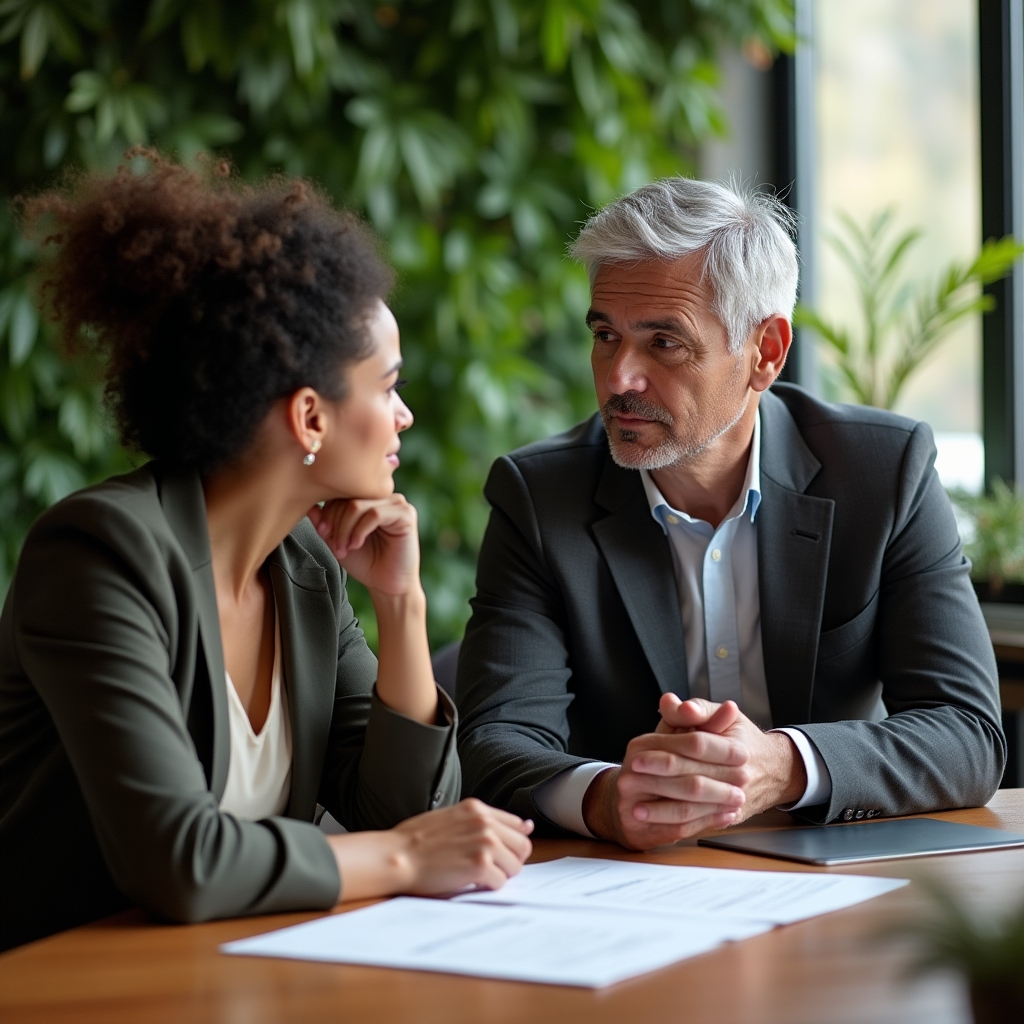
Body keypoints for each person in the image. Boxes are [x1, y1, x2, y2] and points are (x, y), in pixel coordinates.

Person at [0, 153, 532, 952]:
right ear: (310, 417)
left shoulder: (304, 566)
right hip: (65, 976)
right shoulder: (98, 555)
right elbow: (180, 861)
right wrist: (409, 855)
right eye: (387, 386)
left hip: (227, 973)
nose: (406, 416)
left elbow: (404, 816)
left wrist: (400, 604)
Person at [456, 177, 1005, 851]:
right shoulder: (540, 497)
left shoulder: (882, 473)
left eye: (664, 342)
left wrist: (782, 765)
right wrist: (605, 799)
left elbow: (967, 731)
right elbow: (497, 741)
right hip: (625, 886)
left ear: (765, 353)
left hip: (828, 876)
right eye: (606, 334)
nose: (619, 377)